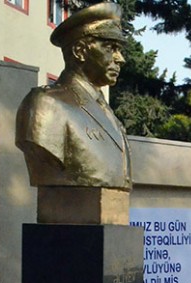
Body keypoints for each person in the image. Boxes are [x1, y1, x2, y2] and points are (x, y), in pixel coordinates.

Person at [16, 2, 131, 191]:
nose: (120, 58)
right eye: (110, 48)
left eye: (119, 49)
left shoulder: (108, 113)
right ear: (80, 51)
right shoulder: (46, 104)